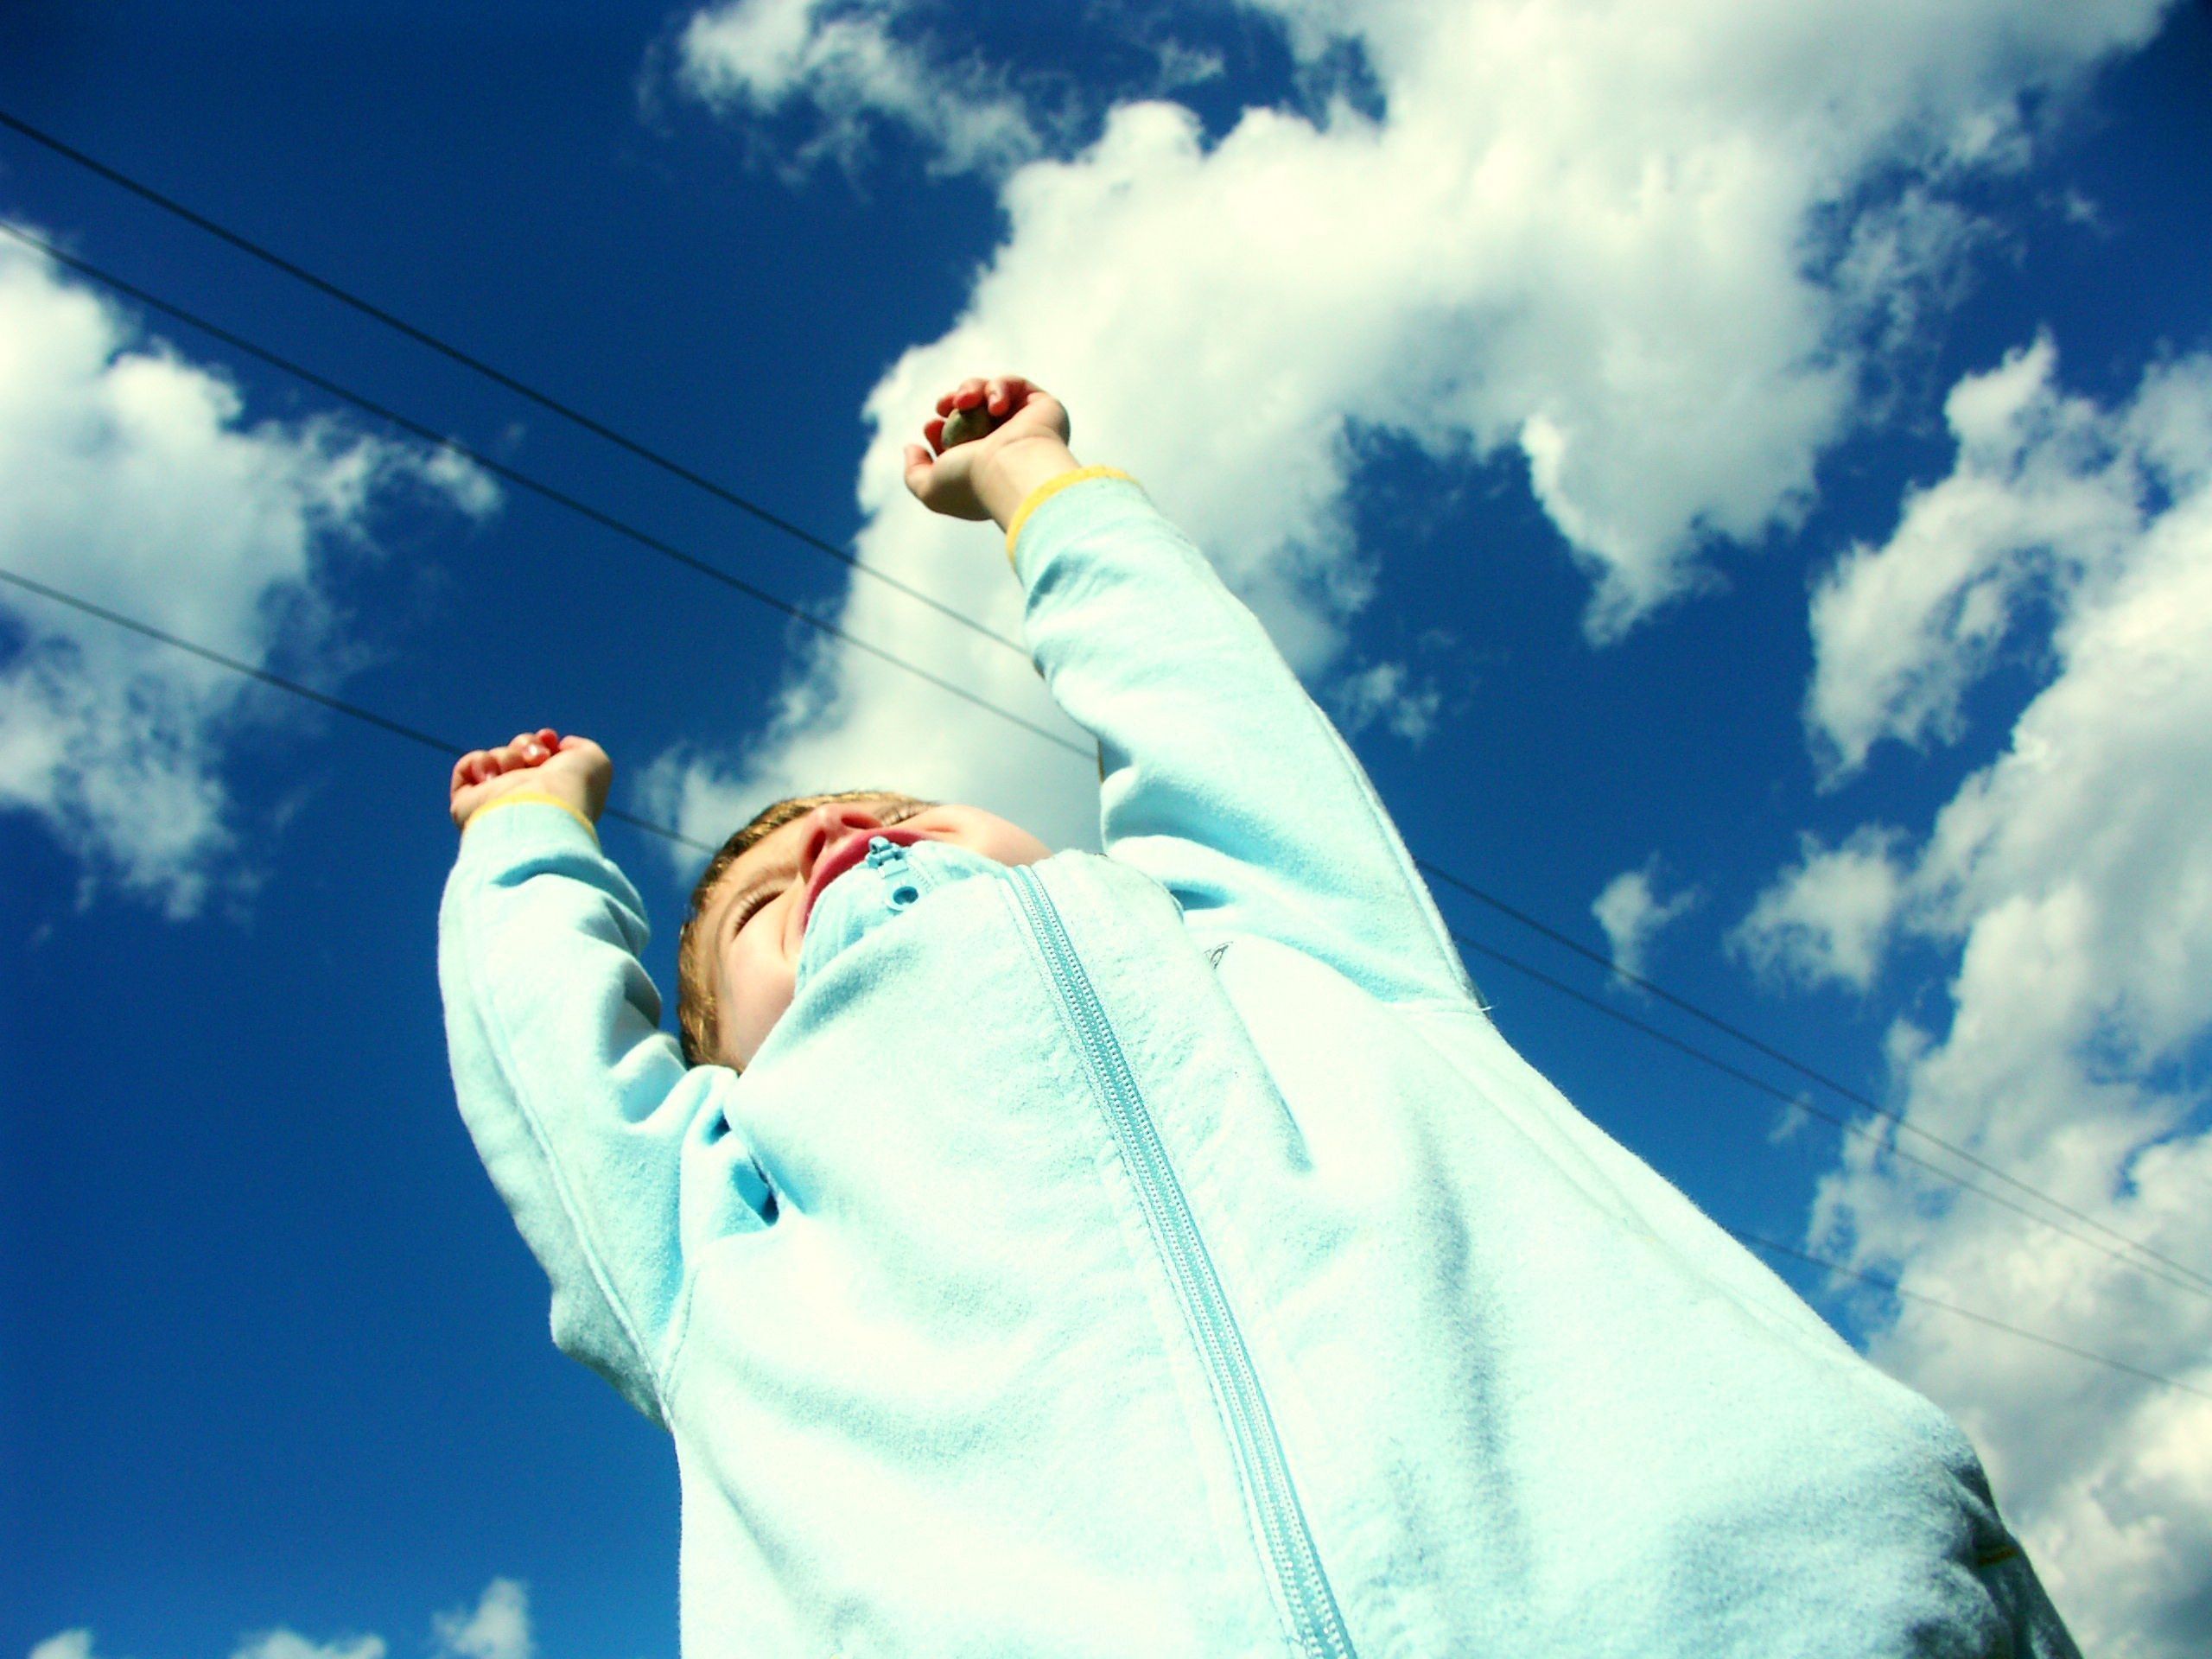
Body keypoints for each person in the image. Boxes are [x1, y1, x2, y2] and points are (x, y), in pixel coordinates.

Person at [438, 374, 2080, 1656]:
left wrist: (1040, 491)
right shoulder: (720, 1247)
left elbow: (1209, 725)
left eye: (897, 813)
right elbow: (559, 1079)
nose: (840, 846)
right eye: (761, 907)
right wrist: (529, 844)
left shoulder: (1293, 953)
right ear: (721, 1069)